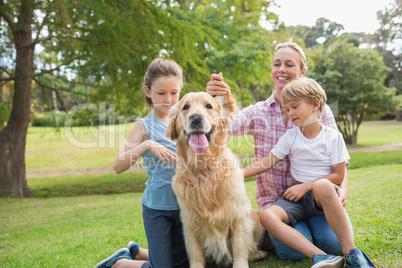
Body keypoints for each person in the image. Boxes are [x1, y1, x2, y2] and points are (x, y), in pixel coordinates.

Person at [206, 42, 353, 261]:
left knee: (331, 243)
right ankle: (307, 246)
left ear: (302, 71)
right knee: (292, 252)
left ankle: (328, 243)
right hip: (279, 203)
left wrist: (341, 189)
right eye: (277, 64)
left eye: (289, 64)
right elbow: (222, 128)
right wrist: (216, 102)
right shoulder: (258, 111)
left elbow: (339, 162)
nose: (281, 69)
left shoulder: (320, 110)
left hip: (318, 197)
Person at [242, 77, 376, 267]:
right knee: (267, 216)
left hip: (323, 194)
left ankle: (352, 253)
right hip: (297, 196)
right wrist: (236, 174)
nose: (290, 113)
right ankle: (321, 256)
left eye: (295, 106)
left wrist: (306, 186)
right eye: (287, 109)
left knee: (323, 185)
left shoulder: (333, 137)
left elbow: (338, 175)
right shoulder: (290, 137)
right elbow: (265, 162)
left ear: (315, 104)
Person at [94, 58, 189, 268]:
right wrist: (146, 146)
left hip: (185, 207)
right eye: (161, 93)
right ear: (147, 91)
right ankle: (119, 263)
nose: (169, 99)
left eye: (174, 92)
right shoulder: (143, 126)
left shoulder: (185, 120)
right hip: (157, 209)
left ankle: (138, 252)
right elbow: (118, 166)